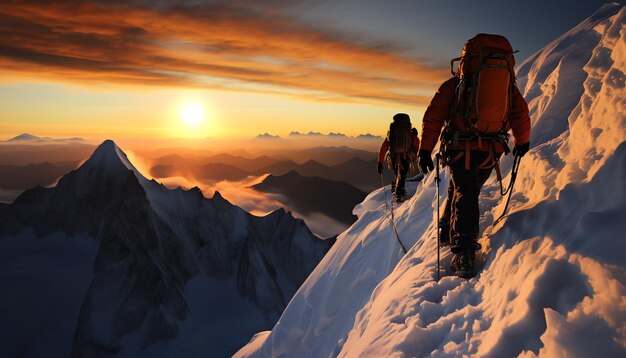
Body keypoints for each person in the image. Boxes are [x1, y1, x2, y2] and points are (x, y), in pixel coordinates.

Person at [418, 34, 531, 278]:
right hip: (491, 151)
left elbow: (434, 115)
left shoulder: (455, 85)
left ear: (466, 60)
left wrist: (425, 148)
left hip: (461, 147)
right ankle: (447, 225)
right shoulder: (507, 87)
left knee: (465, 193)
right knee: (465, 189)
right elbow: (520, 114)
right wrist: (523, 142)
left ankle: (464, 251)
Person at [377, 113, 420, 202]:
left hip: (394, 155)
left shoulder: (392, 134)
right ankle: (400, 192)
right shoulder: (411, 134)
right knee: (403, 173)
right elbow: (417, 143)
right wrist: (415, 156)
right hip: (407, 155)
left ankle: (398, 190)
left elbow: (384, 147)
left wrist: (380, 162)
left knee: (397, 172)